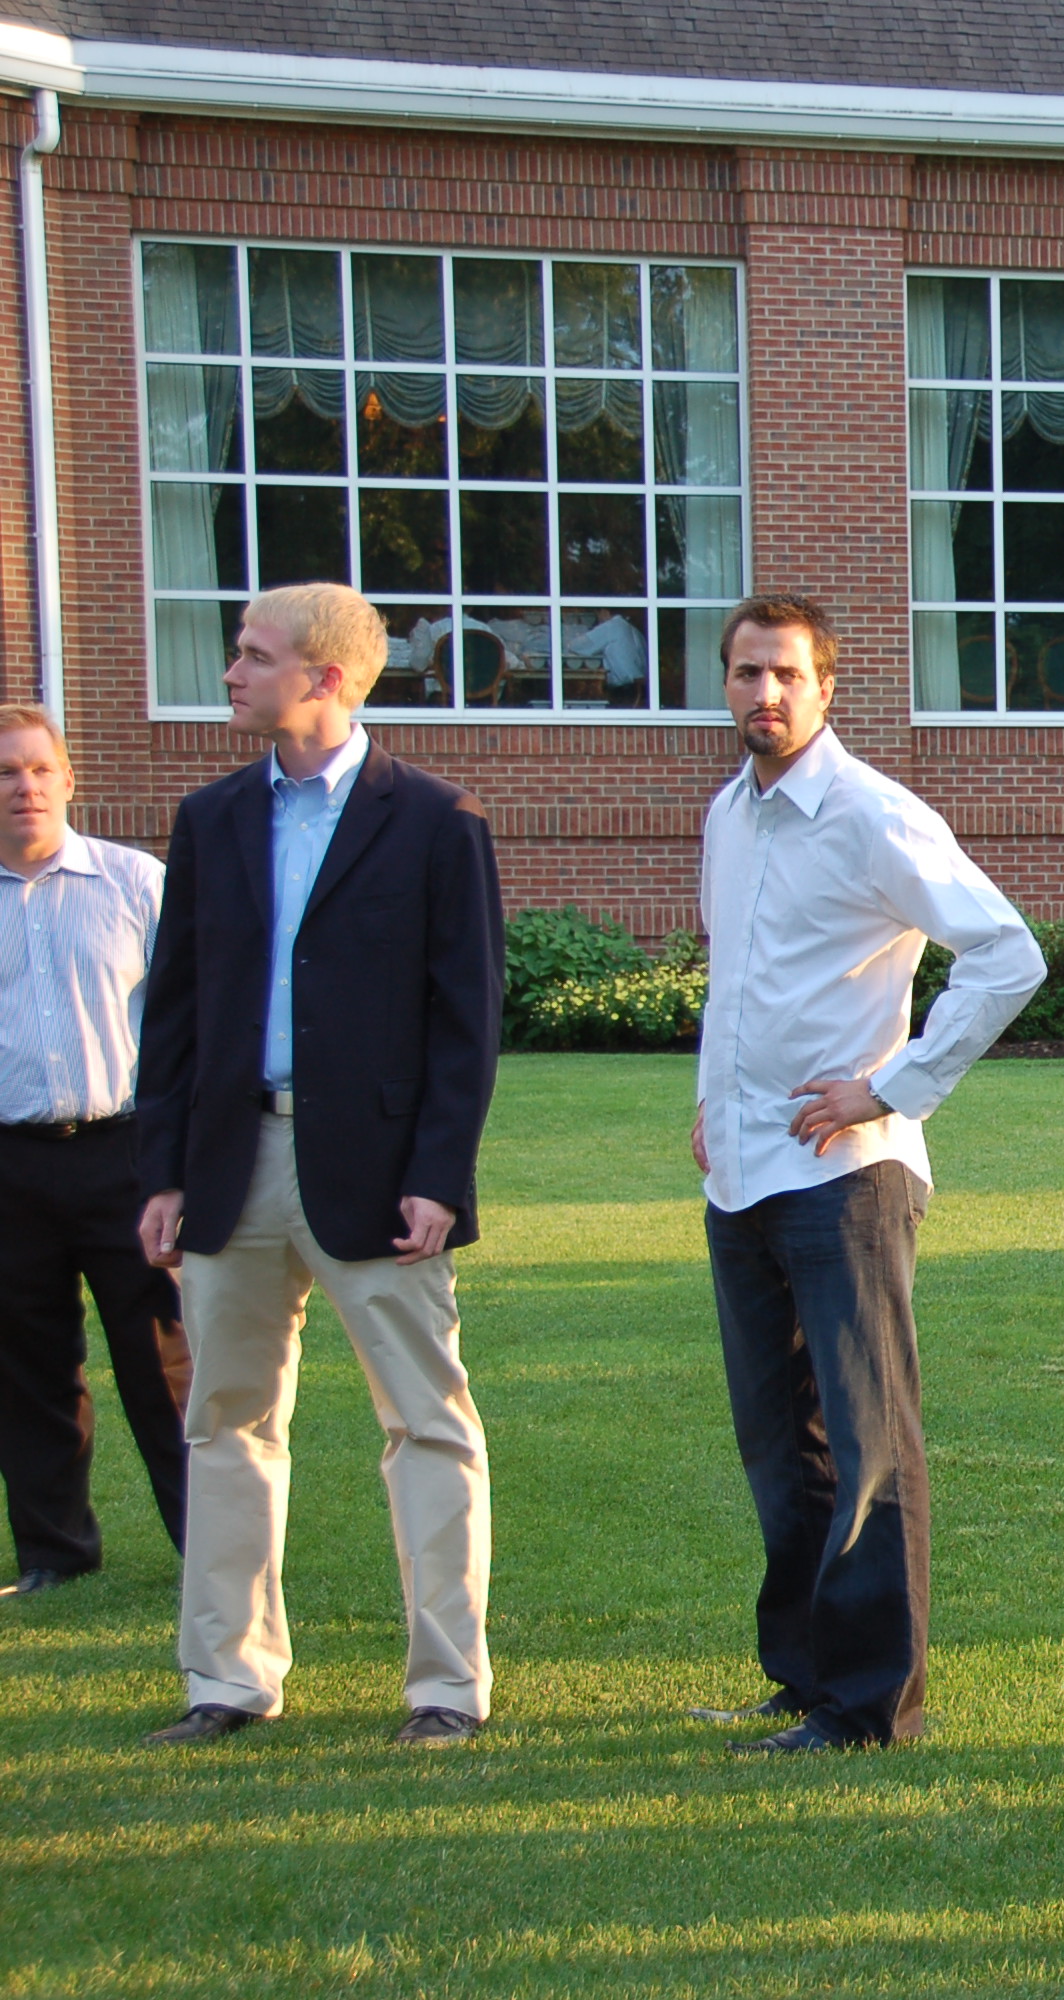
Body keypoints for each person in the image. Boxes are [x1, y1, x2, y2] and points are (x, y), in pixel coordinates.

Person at [133, 583, 506, 1747]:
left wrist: (439, 1173)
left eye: (254, 654)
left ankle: (446, 1689)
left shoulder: (438, 819)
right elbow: (175, 1009)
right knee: (225, 1423)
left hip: (384, 1174)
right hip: (228, 1162)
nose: (231, 671)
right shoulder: (210, 818)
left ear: (326, 677)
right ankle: (227, 1679)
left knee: (428, 1425)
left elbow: (466, 1019)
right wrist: (163, 1170)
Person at [686, 593, 1045, 1754]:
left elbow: (1006, 952)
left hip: (846, 1177)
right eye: (746, 672)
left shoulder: (872, 813)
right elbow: (741, 979)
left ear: (826, 686)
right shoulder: (728, 814)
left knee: (869, 1436)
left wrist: (891, 1085)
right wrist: (710, 1103)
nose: (764, 693)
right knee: (778, 1442)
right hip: (742, 1174)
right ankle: (804, 1674)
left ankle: (872, 1701)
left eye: (786, 673)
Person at [0, 703, 188, 1600]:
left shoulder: (136, 883)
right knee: (26, 1364)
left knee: (163, 1360)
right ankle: (55, 1553)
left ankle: (210, 1548)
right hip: (8, 1165)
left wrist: (180, 1162)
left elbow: (188, 1024)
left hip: (126, 1156)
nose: (24, 787)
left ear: (69, 780)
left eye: (40, 769)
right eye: (6, 773)